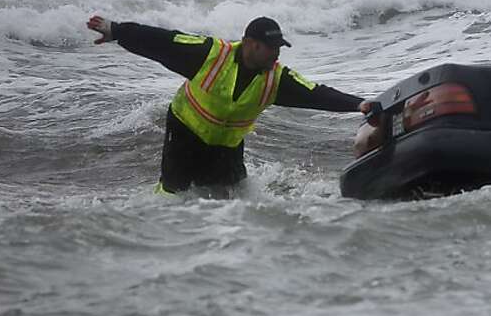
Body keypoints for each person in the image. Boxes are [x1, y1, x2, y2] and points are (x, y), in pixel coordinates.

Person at [87, 14, 373, 194]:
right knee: (174, 197)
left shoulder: (277, 78)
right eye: (270, 48)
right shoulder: (210, 54)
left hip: (227, 145)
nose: (275, 54)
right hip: (186, 133)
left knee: (231, 198)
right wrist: (117, 31)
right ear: (250, 43)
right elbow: (163, 41)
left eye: (278, 48)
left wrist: (358, 104)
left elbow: (316, 94)